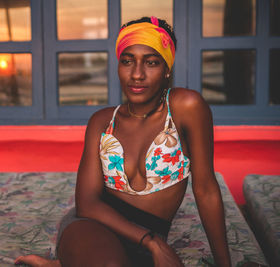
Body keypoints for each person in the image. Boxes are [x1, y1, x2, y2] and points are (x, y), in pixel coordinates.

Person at [15, 16, 232, 267]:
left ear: (167, 69)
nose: (137, 74)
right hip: (93, 227)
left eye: (151, 63)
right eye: (127, 61)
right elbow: (86, 204)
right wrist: (153, 242)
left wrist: (224, 265)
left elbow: (205, 189)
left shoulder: (186, 107)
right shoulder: (102, 122)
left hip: (148, 236)